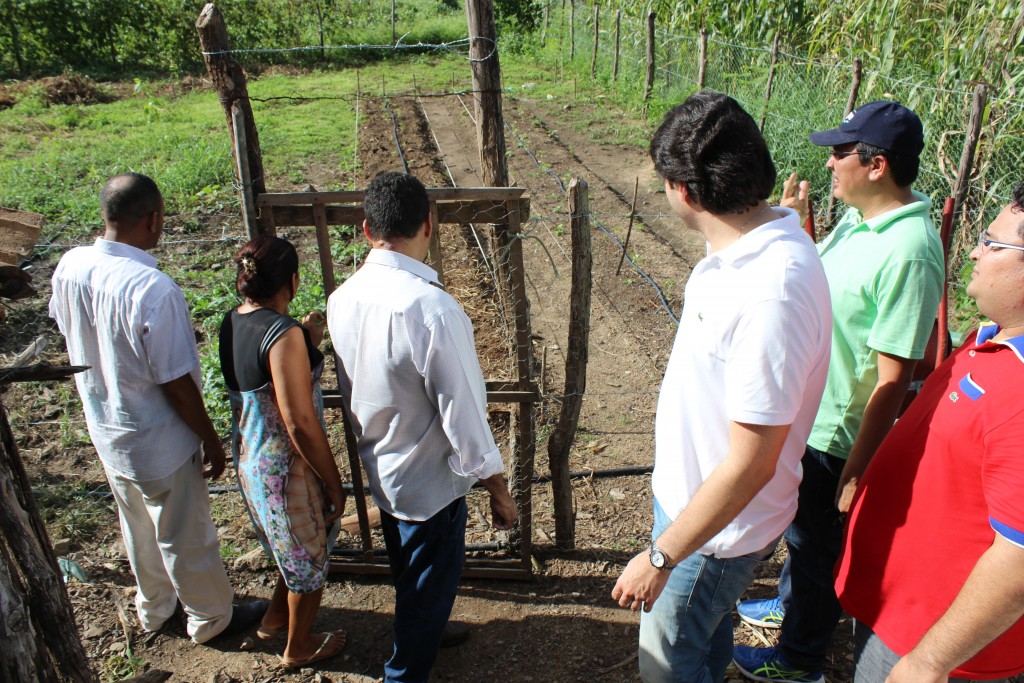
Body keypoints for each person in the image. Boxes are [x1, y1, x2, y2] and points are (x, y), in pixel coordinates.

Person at [610, 91, 833, 683]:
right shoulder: (749, 245)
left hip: (712, 536)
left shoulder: (770, 291)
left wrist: (662, 556)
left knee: (667, 667)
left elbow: (753, 461)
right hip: (699, 512)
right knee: (705, 644)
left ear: (684, 190)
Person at [734, 101, 945, 683]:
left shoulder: (909, 251)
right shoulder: (859, 219)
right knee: (803, 538)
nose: (829, 164)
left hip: (839, 436)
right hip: (813, 413)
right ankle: (790, 606)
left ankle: (799, 662)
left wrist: (856, 469)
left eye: (839, 153)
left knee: (821, 551)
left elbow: (894, 376)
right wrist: (803, 224)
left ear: (876, 165)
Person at [48, 172, 265, 644]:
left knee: (137, 524)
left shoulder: (70, 265)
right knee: (186, 532)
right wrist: (210, 438)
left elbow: (67, 329)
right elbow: (176, 383)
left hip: (107, 424)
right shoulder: (153, 287)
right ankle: (211, 617)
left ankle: (155, 606)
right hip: (157, 435)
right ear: (153, 219)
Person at [326, 171, 518, 683]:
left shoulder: (342, 297)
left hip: (382, 463)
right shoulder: (430, 308)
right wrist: (497, 487)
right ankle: (405, 669)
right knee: (429, 574)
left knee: (410, 569)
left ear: (367, 229)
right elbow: (465, 413)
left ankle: (425, 626)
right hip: (429, 482)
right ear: (428, 226)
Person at [833, 183, 1024, 682]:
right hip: (895, 607)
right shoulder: (989, 339)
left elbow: (1019, 559)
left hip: (928, 641)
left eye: (994, 242)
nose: (977, 250)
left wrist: (930, 661)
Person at [218, 235, 348, 670]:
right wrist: (333, 481)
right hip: (286, 467)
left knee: (287, 547)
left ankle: (274, 619)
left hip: (251, 459)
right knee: (309, 557)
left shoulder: (232, 322)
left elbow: (260, 377)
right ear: (292, 281)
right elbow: (299, 423)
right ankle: (299, 646)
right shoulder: (283, 334)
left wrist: (306, 337)